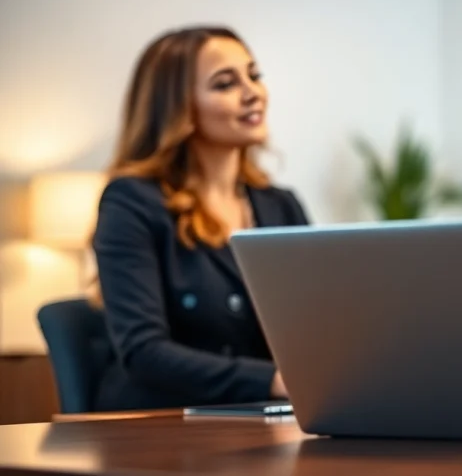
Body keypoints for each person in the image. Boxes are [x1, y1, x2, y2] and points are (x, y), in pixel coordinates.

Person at [91, 26, 309, 411]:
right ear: (177, 108)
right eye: (225, 84)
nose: (252, 92)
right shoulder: (131, 202)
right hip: (159, 428)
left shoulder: (281, 206)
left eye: (254, 76)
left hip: (267, 419)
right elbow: (144, 351)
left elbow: (316, 325)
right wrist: (274, 381)